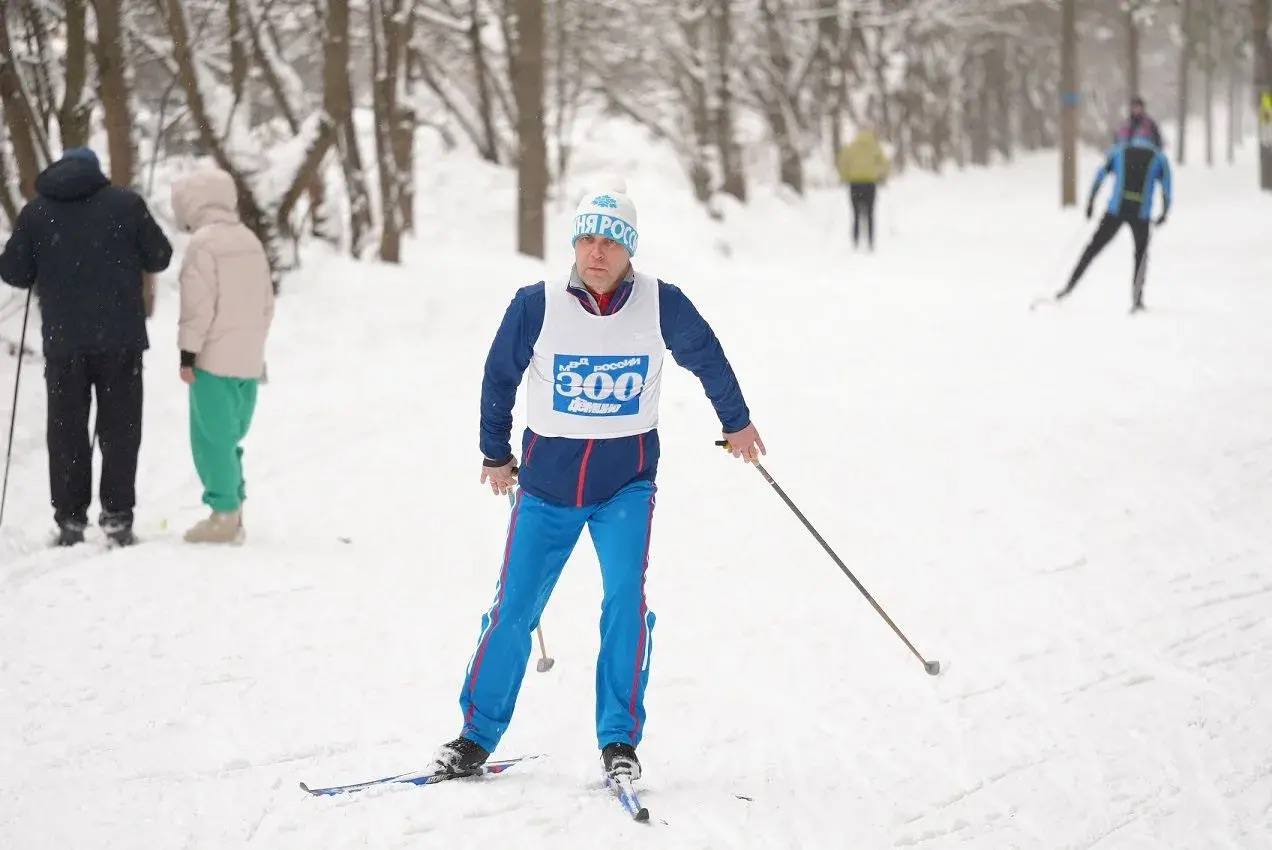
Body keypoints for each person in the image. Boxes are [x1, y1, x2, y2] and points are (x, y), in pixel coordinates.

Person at [430, 182, 764, 785]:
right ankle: (475, 737)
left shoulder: (662, 303)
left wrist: (735, 422)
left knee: (626, 605)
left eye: (610, 241)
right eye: (587, 239)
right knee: (514, 610)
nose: (597, 252)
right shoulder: (536, 304)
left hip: (625, 486)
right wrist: (494, 452)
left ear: (630, 248)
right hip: (546, 489)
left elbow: (707, 357)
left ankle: (619, 741)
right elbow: (499, 376)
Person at [0, 147, 172, 547]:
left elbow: (13, 272)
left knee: (66, 431)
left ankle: (70, 520)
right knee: (120, 428)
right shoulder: (126, 204)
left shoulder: (37, 212)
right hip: (120, 339)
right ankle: (117, 516)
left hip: (64, 342)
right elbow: (160, 256)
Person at [171, 170, 274, 544]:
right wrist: (255, 345)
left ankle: (224, 515)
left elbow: (197, 307)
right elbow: (266, 302)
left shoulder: (203, 244)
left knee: (210, 439)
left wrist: (188, 354)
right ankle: (235, 504)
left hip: (213, 359)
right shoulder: (250, 240)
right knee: (228, 436)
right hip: (248, 358)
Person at [1055, 138, 1172, 313]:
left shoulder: (1119, 151)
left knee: (1092, 249)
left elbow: (1100, 175)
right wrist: (1164, 212)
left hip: (1116, 210)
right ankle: (1137, 300)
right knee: (1141, 255)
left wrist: (1091, 202)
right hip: (1141, 214)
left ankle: (1069, 287)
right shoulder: (1159, 157)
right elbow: (1167, 187)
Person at [836, 127, 890, 251]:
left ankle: (855, 242)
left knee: (855, 214)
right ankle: (870, 242)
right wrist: (882, 177)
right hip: (870, 184)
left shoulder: (850, 148)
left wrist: (845, 177)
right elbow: (884, 164)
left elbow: (842, 163)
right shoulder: (875, 147)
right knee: (870, 214)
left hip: (855, 184)